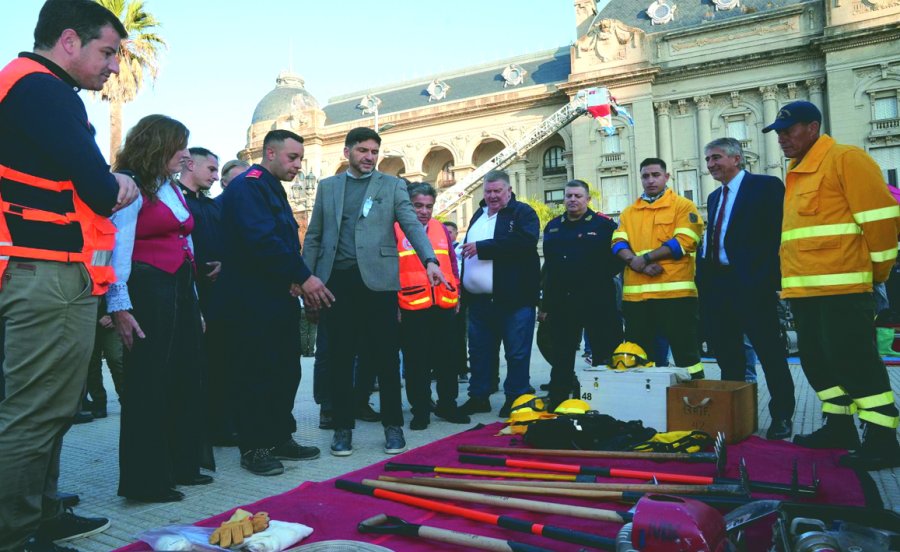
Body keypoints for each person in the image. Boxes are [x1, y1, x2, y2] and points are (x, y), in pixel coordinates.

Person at [0, 1, 138, 549]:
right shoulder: (43, 90)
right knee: (35, 415)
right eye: (107, 52)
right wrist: (118, 184)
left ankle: (42, 513)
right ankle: (16, 532)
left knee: (48, 411)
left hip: (43, 270)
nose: (112, 67)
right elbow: (102, 190)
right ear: (68, 41)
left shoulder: (24, 86)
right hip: (48, 274)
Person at [764, 100, 900, 469]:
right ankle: (839, 426)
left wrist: (878, 273)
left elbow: (883, 221)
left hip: (845, 288)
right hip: (805, 290)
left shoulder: (846, 159)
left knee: (854, 362)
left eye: (788, 131)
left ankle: (883, 438)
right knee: (816, 361)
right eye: (778, 132)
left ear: (812, 127)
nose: (782, 139)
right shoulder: (798, 171)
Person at [303, 127, 445, 457]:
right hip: (336, 283)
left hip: (379, 283)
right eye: (363, 150)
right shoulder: (328, 188)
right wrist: (303, 278)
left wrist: (430, 260)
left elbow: (412, 224)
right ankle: (342, 429)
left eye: (374, 151)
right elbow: (314, 236)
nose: (369, 157)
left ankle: (392, 426)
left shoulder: (393, 185)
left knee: (384, 358)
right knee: (339, 359)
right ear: (347, 152)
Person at [108, 115, 212, 502]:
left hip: (180, 289)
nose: (186, 154)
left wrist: (195, 304)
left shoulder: (170, 187)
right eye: (180, 146)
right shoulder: (130, 184)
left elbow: (188, 243)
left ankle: (181, 464)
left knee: (186, 374)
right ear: (159, 145)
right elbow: (117, 245)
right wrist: (119, 304)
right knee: (149, 381)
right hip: (147, 288)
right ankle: (145, 480)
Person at [218, 130, 330, 474]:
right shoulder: (249, 185)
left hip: (276, 297)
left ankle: (280, 437)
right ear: (270, 153)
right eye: (292, 157)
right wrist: (304, 276)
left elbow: (283, 242)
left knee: (285, 370)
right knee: (255, 373)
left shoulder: (271, 187)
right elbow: (263, 241)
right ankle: (253, 447)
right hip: (251, 300)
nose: (298, 165)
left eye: (300, 159)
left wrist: (292, 279)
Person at [698, 137, 796, 440]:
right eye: (708, 160)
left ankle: (781, 416)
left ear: (736, 159)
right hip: (720, 288)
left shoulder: (766, 186)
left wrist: (770, 281)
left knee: (769, 353)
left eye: (716, 158)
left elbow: (778, 234)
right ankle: (735, 414)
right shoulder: (714, 198)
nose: (711, 165)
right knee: (728, 357)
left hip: (754, 288)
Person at [611, 158, 705, 379]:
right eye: (645, 176)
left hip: (676, 296)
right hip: (637, 299)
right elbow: (617, 243)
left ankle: (694, 403)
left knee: (686, 354)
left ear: (666, 177)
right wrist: (637, 263)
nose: (650, 180)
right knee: (639, 355)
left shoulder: (683, 206)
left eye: (655, 175)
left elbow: (685, 241)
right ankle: (648, 402)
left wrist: (642, 259)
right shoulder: (629, 212)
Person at [459, 169, 541, 418]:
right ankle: (479, 397)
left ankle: (515, 398)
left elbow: (524, 242)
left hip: (514, 300)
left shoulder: (522, 212)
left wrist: (482, 248)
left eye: (497, 191)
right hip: (479, 302)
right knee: (480, 352)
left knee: (516, 352)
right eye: (488, 191)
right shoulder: (478, 214)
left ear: (509, 190)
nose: (492, 196)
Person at [540, 179, 623, 409]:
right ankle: (558, 398)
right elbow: (550, 269)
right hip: (563, 302)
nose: (572, 200)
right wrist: (545, 306)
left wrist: (594, 277)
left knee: (603, 351)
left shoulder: (604, 226)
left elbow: (616, 262)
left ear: (587, 199)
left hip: (597, 300)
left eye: (578, 196)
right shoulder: (553, 227)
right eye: (568, 196)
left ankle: (605, 400)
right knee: (562, 354)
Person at [397, 182, 471, 430]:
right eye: (418, 205)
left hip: (444, 304)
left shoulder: (440, 228)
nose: (424, 211)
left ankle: (448, 405)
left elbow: (451, 262)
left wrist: (457, 292)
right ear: (408, 205)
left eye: (428, 206)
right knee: (417, 362)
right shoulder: (396, 230)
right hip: (411, 306)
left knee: (447, 360)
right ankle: (420, 411)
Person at [177, 147, 234, 445]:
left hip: (219, 299)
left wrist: (225, 263)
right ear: (189, 165)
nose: (216, 176)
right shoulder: (175, 203)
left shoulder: (213, 207)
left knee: (220, 363)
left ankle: (221, 426)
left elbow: (229, 243)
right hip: (187, 297)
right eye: (211, 169)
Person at [84, 297, 124, 419]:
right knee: (91, 364)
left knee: (116, 358)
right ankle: (99, 403)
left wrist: (112, 315)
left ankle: (126, 399)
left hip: (112, 316)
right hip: (87, 320)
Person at [443, 220, 469, 383]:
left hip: (458, 295)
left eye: (450, 232)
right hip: (441, 297)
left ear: (456, 233)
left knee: (460, 335)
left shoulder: (460, 249)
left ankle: (461, 369)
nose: (447, 235)